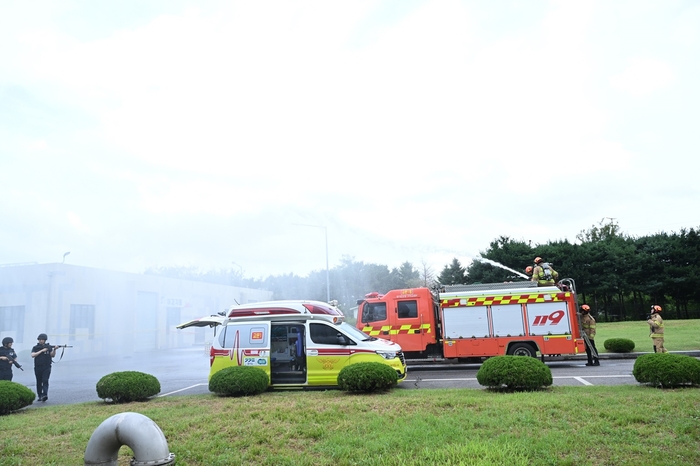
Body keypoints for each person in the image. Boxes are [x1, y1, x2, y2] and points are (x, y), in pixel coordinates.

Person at [31, 333, 57, 402]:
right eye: (40, 340)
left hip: (46, 366)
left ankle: (45, 394)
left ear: (45, 340)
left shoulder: (48, 347)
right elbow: (33, 355)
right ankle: (40, 395)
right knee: (39, 381)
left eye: (43, 340)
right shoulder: (35, 347)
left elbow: (52, 355)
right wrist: (42, 351)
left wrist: (54, 349)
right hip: (38, 367)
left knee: (45, 380)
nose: (41, 341)